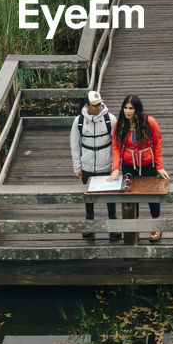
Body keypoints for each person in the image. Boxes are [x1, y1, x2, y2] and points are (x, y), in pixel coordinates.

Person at [109, 95, 170, 242]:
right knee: (130, 196)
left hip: (148, 164)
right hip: (129, 164)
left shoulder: (149, 122)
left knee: (152, 196)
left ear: (137, 109)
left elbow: (157, 143)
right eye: (125, 108)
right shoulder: (121, 124)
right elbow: (116, 146)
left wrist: (160, 166)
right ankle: (133, 227)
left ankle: (156, 224)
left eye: (131, 108)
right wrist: (116, 168)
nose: (127, 111)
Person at [70, 90, 120, 240]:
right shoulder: (78, 121)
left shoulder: (110, 119)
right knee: (89, 199)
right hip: (87, 166)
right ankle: (90, 225)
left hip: (106, 166)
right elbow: (75, 145)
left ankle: (113, 227)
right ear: (87, 106)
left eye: (100, 104)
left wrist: (116, 167)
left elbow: (117, 144)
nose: (99, 107)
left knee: (110, 198)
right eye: (95, 105)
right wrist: (77, 167)